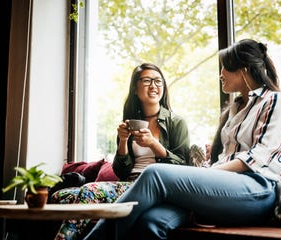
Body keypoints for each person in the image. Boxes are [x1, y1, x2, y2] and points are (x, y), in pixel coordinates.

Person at [83, 39, 281, 240]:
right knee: (150, 222)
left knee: (155, 173)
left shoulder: (275, 100)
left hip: (259, 189)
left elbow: (259, 157)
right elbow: (225, 157)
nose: (220, 74)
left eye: (225, 67)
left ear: (243, 69)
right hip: (227, 189)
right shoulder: (235, 109)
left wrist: (205, 175)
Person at [52, 62, 190, 240]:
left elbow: (184, 165)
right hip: (127, 183)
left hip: (151, 187)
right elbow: (121, 171)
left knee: (89, 191)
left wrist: (154, 144)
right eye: (147, 80)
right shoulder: (131, 122)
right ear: (135, 88)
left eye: (158, 81)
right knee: (60, 196)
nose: (154, 85)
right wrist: (123, 142)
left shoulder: (176, 122)